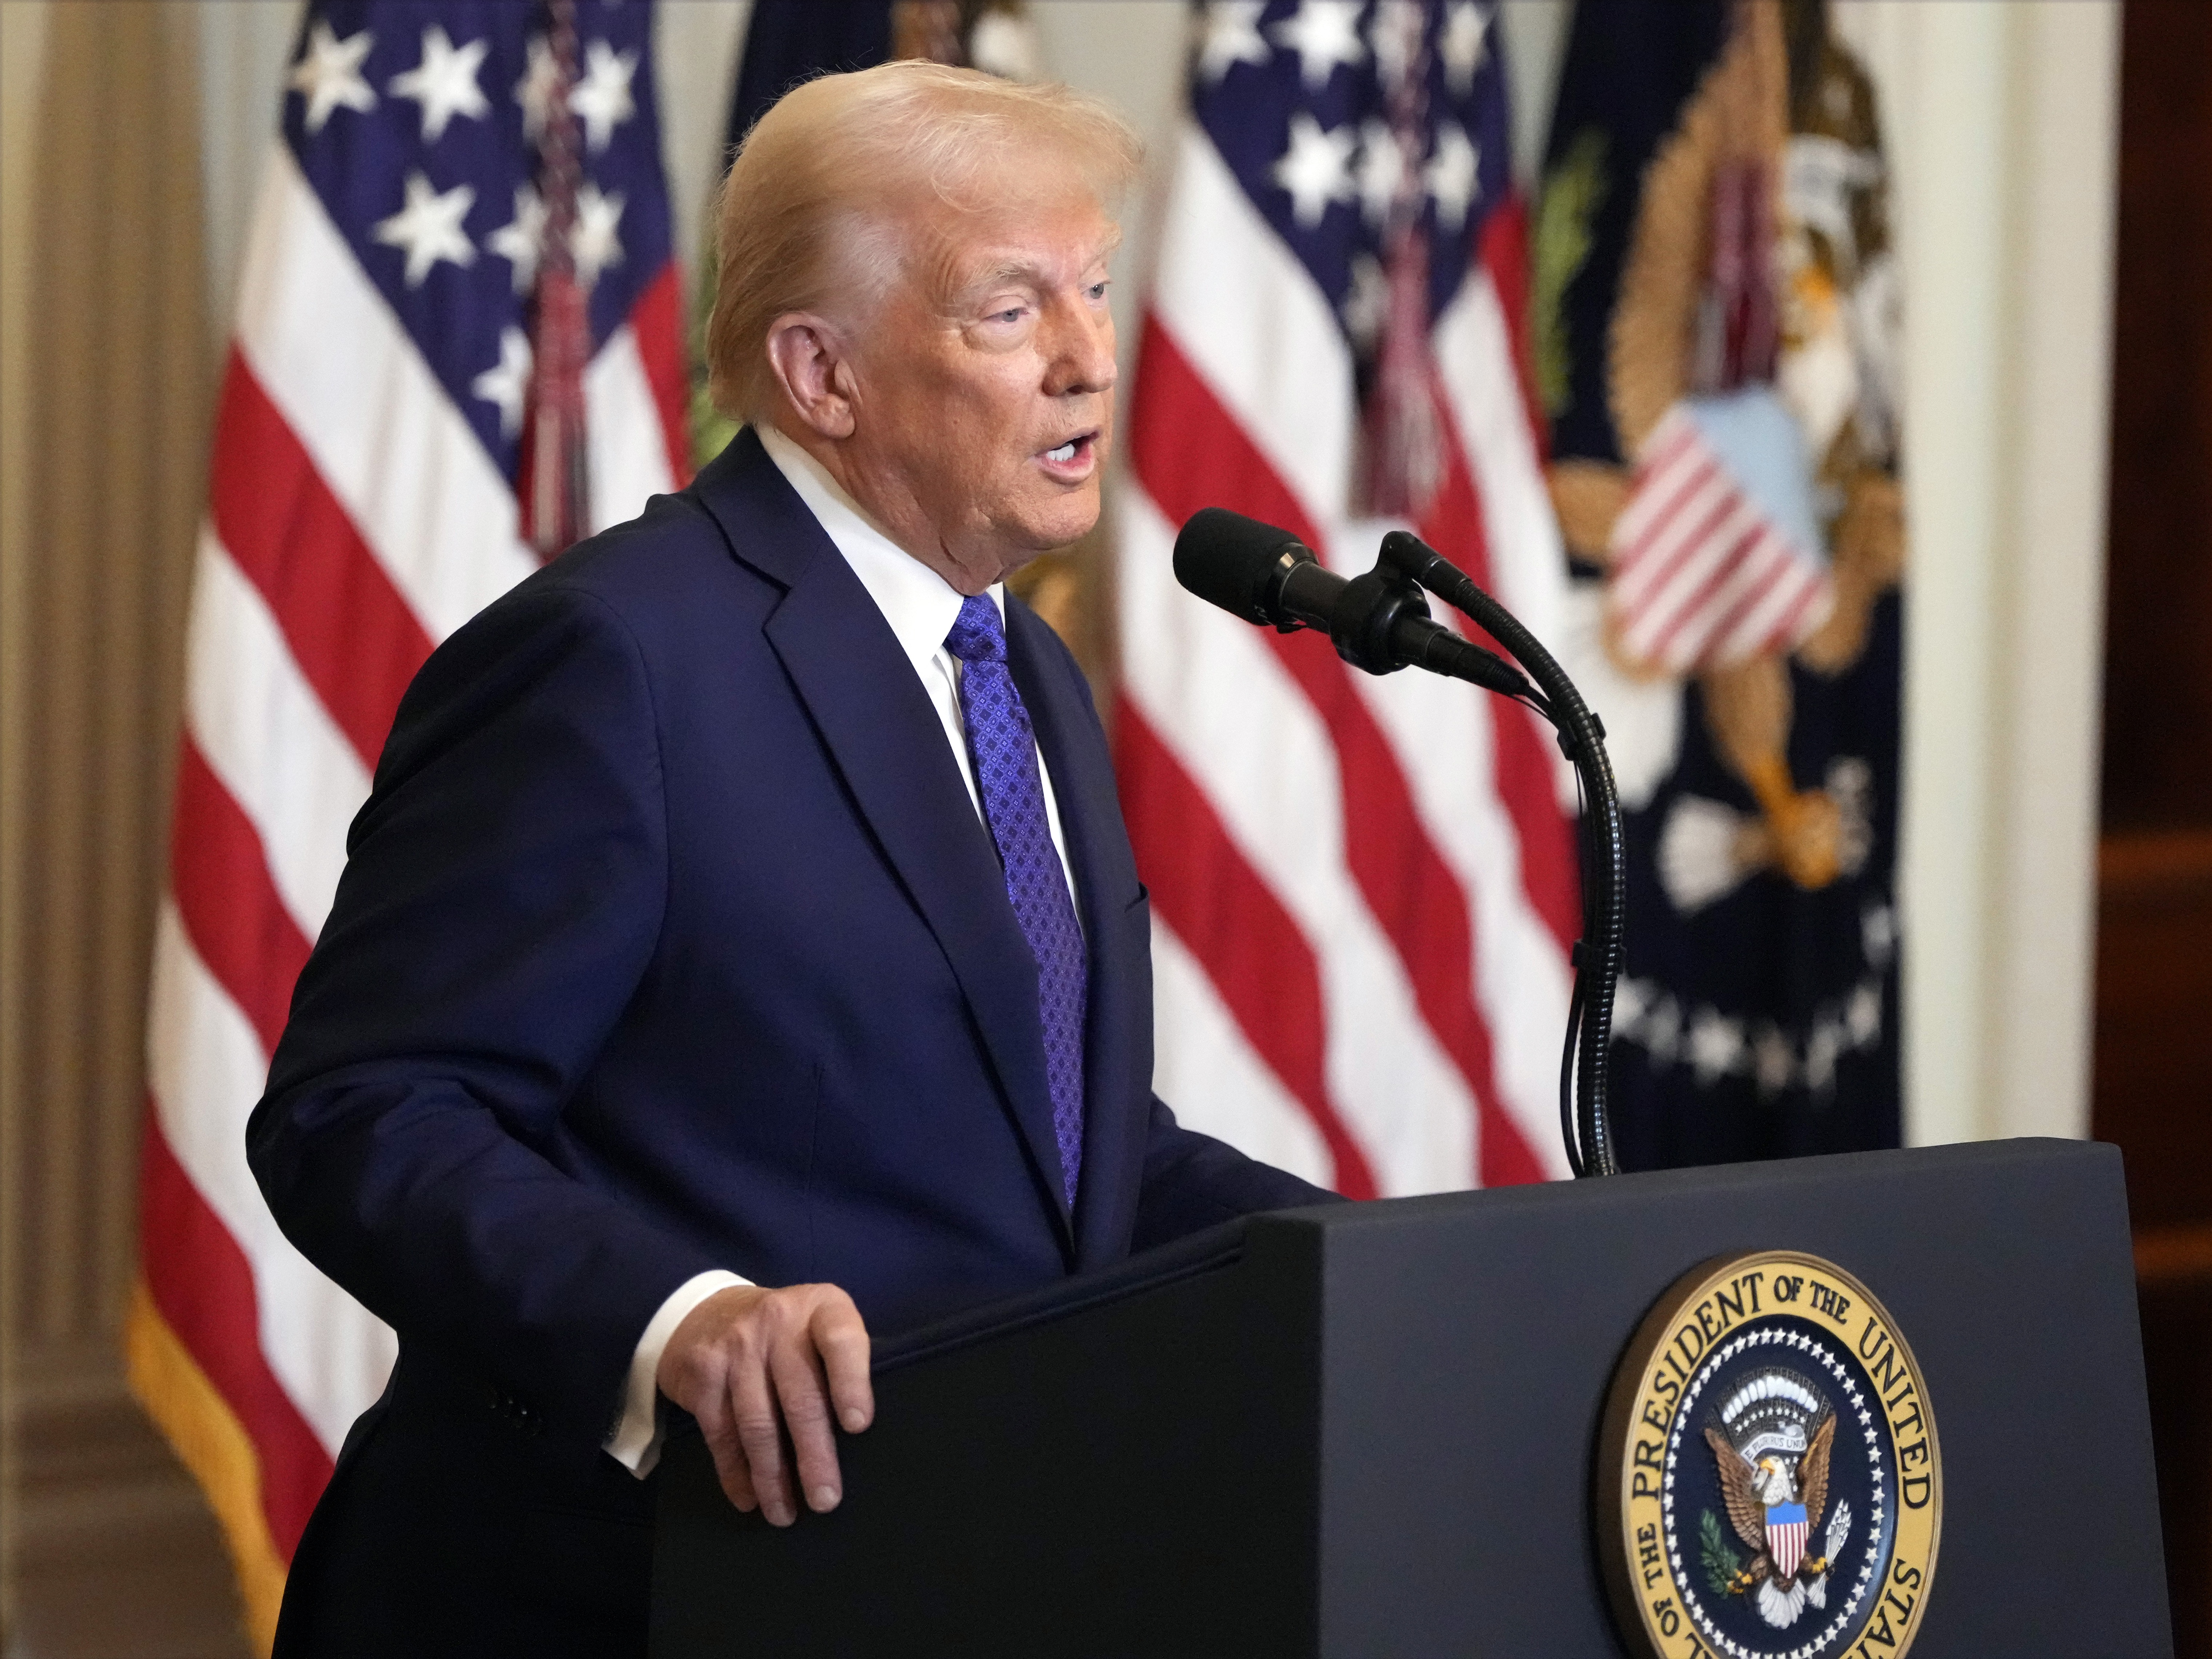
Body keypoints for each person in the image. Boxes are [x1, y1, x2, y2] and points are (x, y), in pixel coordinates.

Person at [247, 61, 1336, 1658]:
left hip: (936, 1581)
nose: (1093, 361)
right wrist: (677, 1321)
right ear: (821, 374)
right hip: (616, 1594)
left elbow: (1051, 1148)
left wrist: (1363, 1268)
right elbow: (367, 1111)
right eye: (1011, 311)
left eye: (1096, 290)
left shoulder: (1021, 671)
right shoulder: (616, 659)